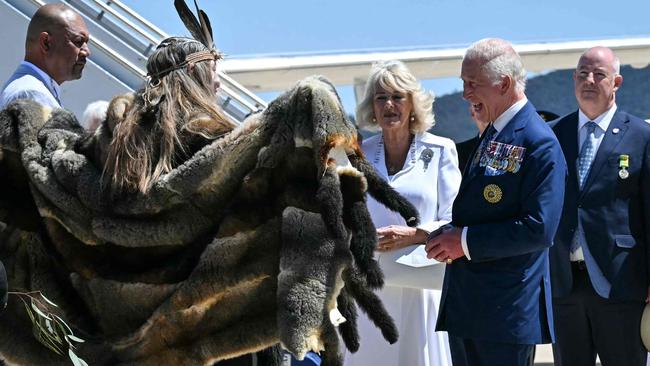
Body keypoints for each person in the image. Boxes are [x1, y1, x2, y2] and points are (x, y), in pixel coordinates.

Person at [425, 38, 567, 366]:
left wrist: (463, 241)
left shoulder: (538, 142)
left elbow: (539, 229)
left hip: (504, 314)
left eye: (471, 83)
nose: (464, 93)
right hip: (471, 305)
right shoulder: (494, 133)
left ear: (503, 84)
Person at [344, 60, 461, 366]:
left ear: (412, 103)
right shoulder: (358, 154)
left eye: (397, 96)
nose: (389, 105)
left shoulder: (440, 150)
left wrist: (413, 235)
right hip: (370, 288)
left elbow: (455, 217)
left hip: (420, 283)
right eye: (381, 98)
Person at [549, 46, 650, 366]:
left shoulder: (641, 135)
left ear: (617, 82)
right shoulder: (553, 135)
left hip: (620, 283)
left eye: (599, 74)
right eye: (582, 74)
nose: (588, 80)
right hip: (563, 284)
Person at [102, 36, 234, 195]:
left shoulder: (121, 129)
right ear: (192, 70)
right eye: (213, 70)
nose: (218, 81)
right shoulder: (213, 135)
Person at [0, 3, 90, 109]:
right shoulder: (33, 94)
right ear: (46, 42)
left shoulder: (34, 90)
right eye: (78, 41)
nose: (86, 52)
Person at [456, 105, 489, 174]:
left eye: (489, 106)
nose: (486, 111)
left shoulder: (515, 147)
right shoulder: (457, 153)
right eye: (478, 106)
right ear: (472, 112)